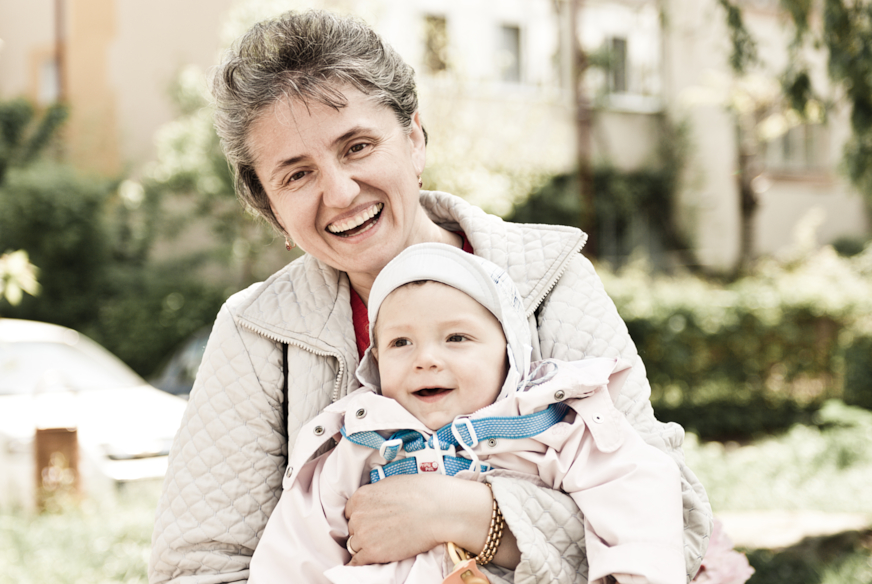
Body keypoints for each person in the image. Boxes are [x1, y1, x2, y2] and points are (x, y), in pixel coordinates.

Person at [149, 10, 712, 584]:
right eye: (296, 175)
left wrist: (469, 516)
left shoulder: (547, 280)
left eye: (358, 146)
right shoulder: (257, 333)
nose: (340, 193)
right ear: (271, 210)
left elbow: (676, 528)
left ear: (414, 139)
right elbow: (197, 570)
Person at [248, 243, 685, 584]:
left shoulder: (550, 427)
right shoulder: (360, 445)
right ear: (377, 361)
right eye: (401, 343)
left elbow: (636, 494)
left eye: (456, 338)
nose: (426, 359)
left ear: (510, 354)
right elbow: (293, 554)